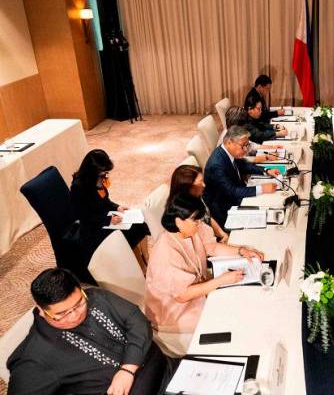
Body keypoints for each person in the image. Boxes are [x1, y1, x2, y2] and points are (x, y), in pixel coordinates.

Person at [8, 268, 176, 395]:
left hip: (169, 369)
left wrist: (127, 369)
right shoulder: (36, 358)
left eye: (79, 304)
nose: (75, 315)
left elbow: (137, 320)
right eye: (62, 313)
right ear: (41, 310)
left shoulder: (94, 296)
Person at [145, 193, 263, 333]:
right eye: (196, 220)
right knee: (227, 319)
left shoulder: (190, 229)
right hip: (174, 311)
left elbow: (211, 247)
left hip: (196, 291)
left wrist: (242, 251)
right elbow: (182, 295)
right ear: (178, 221)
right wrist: (220, 281)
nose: (200, 224)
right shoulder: (165, 252)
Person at [70, 149, 150, 264]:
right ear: (93, 170)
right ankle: (141, 266)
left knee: (140, 223)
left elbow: (105, 200)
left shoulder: (97, 178)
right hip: (94, 228)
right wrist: (108, 220)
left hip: (105, 216)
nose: (105, 176)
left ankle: (146, 257)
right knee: (130, 233)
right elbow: (83, 217)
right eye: (103, 173)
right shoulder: (78, 187)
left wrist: (117, 207)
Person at [203, 126, 280, 226]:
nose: (246, 150)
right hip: (226, 209)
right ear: (229, 143)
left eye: (247, 145)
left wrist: (266, 170)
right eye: (243, 146)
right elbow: (232, 191)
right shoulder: (216, 165)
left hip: (238, 194)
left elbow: (244, 165)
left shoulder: (229, 152)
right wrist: (262, 189)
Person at [167, 165, 229, 243]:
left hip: (212, 240)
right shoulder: (182, 212)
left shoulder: (195, 195)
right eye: (200, 182)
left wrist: (222, 234)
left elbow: (207, 217)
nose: (204, 185)